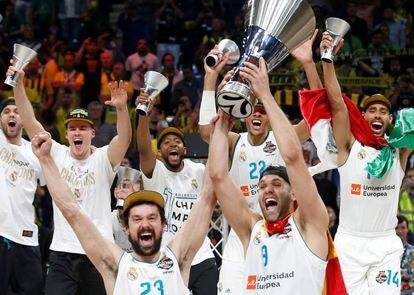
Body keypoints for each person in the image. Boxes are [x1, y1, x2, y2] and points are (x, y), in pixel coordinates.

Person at [199, 33, 320, 294]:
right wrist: (210, 79)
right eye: (253, 108)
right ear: (243, 112)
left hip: (281, 229)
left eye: (263, 111)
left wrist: (310, 66)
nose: (257, 114)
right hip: (244, 228)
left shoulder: (282, 139)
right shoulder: (235, 139)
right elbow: (207, 132)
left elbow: (315, 120)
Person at [30, 130, 217, 295]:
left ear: (163, 225)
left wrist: (218, 133)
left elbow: (208, 195)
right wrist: (45, 159)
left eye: (152, 218)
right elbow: (72, 211)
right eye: (137, 219)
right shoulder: (116, 266)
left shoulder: (178, 258)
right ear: (126, 229)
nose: (145, 224)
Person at [8, 65, 132, 295]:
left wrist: (123, 109)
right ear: (66, 134)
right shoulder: (56, 153)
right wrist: (18, 85)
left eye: (83, 129)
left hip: (99, 252)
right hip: (62, 254)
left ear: (92, 134)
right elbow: (29, 120)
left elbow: (124, 139)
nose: (77, 133)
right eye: (73, 129)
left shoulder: (103, 158)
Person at [320, 32, 413, 294]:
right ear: (363, 116)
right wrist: (328, 59)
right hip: (350, 244)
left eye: (383, 111)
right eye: (372, 110)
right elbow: (337, 104)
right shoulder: (349, 146)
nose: (378, 114)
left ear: (389, 120)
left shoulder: (399, 150)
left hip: (385, 243)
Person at [136, 93, 219, 295]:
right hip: (167, 256)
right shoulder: (155, 171)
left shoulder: (197, 171)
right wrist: (144, 114)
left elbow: (217, 168)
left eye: (177, 141)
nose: (172, 144)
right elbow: (144, 148)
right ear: (159, 152)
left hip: (201, 255)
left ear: (185, 149)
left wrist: (219, 130)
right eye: (166, 142)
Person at [0, 97, 45, 294]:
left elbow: (50, 181)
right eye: (6, 111)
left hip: (27, 237)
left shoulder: (35, 152)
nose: (11, 114)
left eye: (17, 111)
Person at [396, 215, 414, 292]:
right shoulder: (385, 252)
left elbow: (410, 275)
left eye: (403, 228)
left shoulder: (412, 251)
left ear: (407, 229)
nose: (399, 231)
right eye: (396, 228)